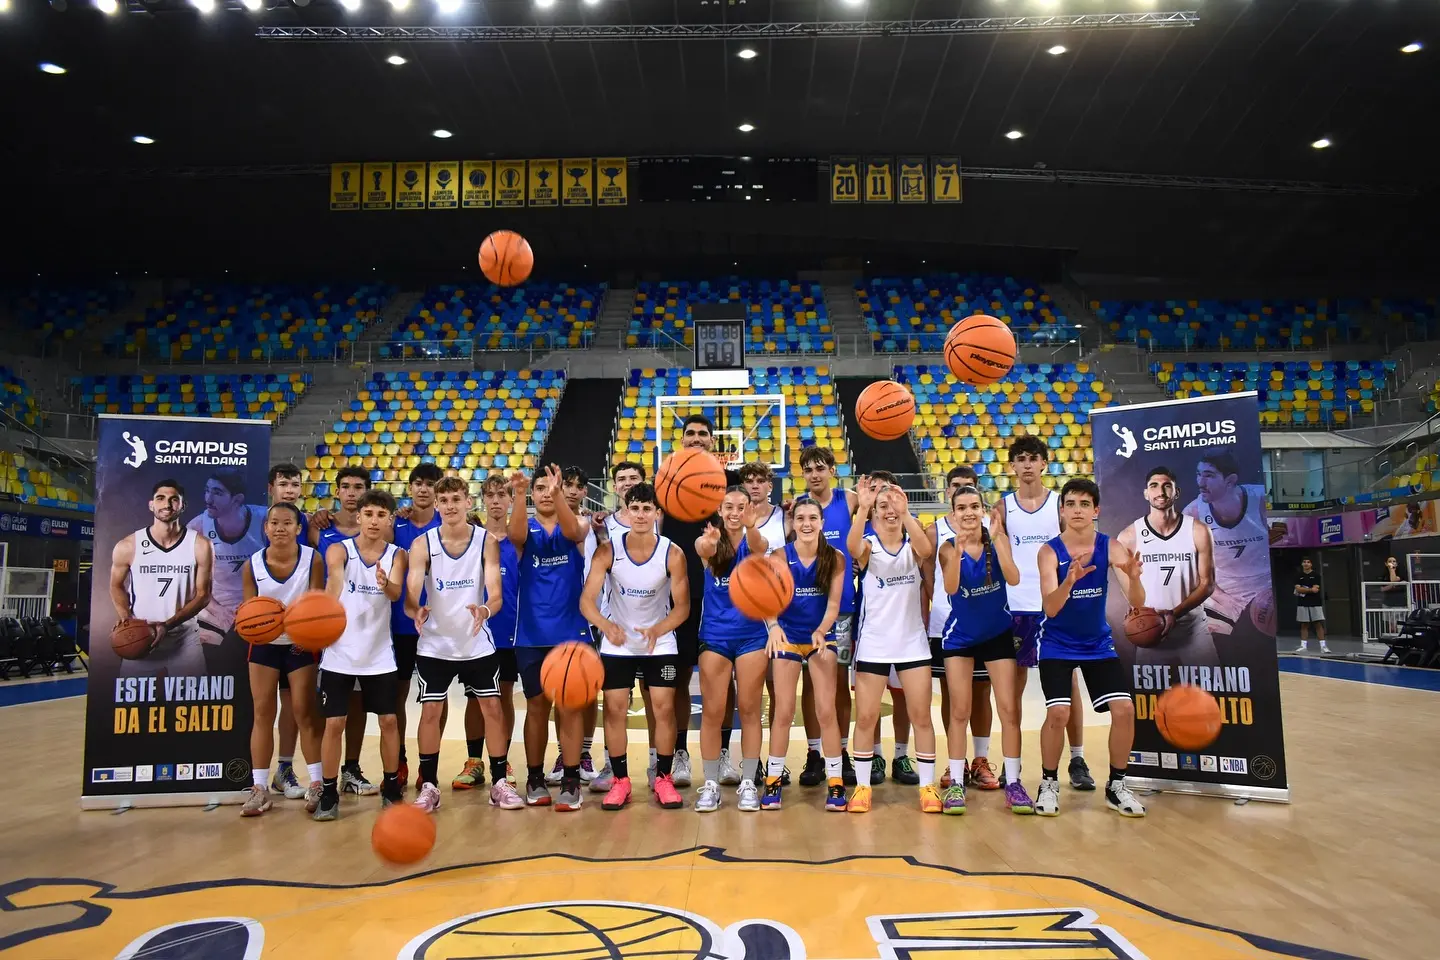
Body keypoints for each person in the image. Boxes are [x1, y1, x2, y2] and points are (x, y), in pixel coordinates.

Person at [405, 476, 520, 813]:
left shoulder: (486, 541)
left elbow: (495, 593)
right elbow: (412, 592)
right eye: (444, 500)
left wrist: (484, 608)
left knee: (493, 708)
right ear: (437, 505)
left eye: (457, 498)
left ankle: (499, 782)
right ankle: (429, 786)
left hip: (475, 641)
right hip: (436, 643)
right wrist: (416, 609)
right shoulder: (422, 544)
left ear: (468, 503)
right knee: (430, 712)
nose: (451, 505)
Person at [1034, 478, 1147, 819]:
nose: (1078, 510)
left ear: (1095, 510)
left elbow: (1138, 604)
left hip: (1097, 643)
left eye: (1085, 504)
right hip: (1056, 642)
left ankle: (1117, 785)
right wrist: (1069, 581)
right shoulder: (1049, 551)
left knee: (1125, 710)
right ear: (1062, 510)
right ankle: (1049, 782)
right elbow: (1051, 608)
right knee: (1058, 713)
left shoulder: (1111, 547)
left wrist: (1135, 576)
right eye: (1071, 503)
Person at [990, 435, 1093, 791]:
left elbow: (1076, 551)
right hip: (1017, 607)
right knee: (1010, 691)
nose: (1028, 464)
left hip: (1056, 606)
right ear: (1013, 466)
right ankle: (1011, 763)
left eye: (1034, 458)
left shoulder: (1059, 506)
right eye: (1020, 458)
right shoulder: (1002, 508)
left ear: (1044, 464)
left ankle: (1077, 759)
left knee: (1069, 687)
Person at [579, 482, 690, 810]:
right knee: (614, 709)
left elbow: (682, 607)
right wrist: (605, 626)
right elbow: (587, 601)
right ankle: (621, 780)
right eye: (634, 508)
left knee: (664, 709)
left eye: (647, 509)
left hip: (660, 639)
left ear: (657, 513)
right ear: (625, 512)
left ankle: (664, 779)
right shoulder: (608, 550)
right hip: (619, 642)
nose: (640, 515)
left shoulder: (673, 553)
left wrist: (660, 628)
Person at [658, 415, 743, 788]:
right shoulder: (664, 484)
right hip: (679, 597)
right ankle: (679, 753)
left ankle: (723, 752)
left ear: (713, 443)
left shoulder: (730, 487)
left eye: (702, 435)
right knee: (676, 679)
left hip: (726, 599)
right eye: (689, 434)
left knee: (725, 682)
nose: (696, 439)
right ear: (681, 440)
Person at [936, 485, 1032, 816]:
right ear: (952, 514)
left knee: (1008, 709)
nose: (968, 513)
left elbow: (1015, 578)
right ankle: (957, 783)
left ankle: (1015, 782)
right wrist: (961, 550)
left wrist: (998, 540)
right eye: (961, 507)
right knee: (959, 710)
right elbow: (950, 587)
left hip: (997, 634)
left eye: (974, 506)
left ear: (982, 510)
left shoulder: (998, 541)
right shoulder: (948, 548)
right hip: (960, 637)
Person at [845, 475, 938, 814]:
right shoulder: (868, 545)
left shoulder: (914, 544)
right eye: (882, 507)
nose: (889, 511)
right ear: (872, 514)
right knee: (867, 717)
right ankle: (863, 787)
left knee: (921, 717)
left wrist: (906, 511)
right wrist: (865, 507)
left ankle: (927, 787)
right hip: (874, 644)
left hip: (912, 644)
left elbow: (927, 552)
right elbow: (852, 546)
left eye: (893, 505)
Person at [315, 490, 407, 821]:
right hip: (340, 650)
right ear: (359, 517)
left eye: (381, 515)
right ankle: (328, 792)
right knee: (334, 723)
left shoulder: (398, 555)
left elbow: (396, 593)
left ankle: (392, 786)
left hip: (379, 653)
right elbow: (333, 586)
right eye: (368, 514)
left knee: (389, 720)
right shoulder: (339, 550)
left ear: (389, 521)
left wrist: (385, 584)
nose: (373, 520)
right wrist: (320, 611)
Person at [508, 464, 592, 810]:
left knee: (570, 708)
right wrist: (516, 492)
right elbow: (514, 537)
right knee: (537, 707)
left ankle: (571, 779)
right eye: (539, 488)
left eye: (551, 487)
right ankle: (535, 776)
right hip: (530, 633)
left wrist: (560, 495)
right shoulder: (524, 528)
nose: (545, 492)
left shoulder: (579, 523)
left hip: (571, 632)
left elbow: (573, 530)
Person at [239, 502, 325, 817]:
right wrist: (257, 628)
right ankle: (259, 788)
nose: (280, 528)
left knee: (304, 713)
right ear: (265, 528)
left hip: (299, 646)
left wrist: (307, 634)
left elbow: (317, 603)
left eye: (287, 523)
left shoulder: (312, 559)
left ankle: (317, 782)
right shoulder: (252, 565)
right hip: (264, 646)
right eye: (274, 522)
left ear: (298, 528)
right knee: (263, 713)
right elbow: (248, 612)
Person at [765, 499, 847, 811]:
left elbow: (834, 605)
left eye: (813, 517)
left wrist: (822, 629)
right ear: (793, 522)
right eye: (801, 518)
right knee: (783, 711)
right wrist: (772, 625)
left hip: (820, 637)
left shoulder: (834, 557)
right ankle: (773, 782)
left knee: (826, 711)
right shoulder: (779, 557)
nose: (807, 523)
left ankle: (836, 784)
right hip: (787, 635)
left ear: (822, 522)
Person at [920, 464, 998, 791]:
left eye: (968, 486)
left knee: (982, 693)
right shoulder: (934, 530)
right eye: (955, 486)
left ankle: (980, 759)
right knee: (952, 696)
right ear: (947, 492)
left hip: (985, 623)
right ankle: (957, 762)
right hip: (946, 623)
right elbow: (927, 575)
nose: (960, 490)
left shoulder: (991, 530)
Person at [693, 487, 769, 812]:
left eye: (741, 506)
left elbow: (760, 547)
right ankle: (710, 783)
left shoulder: (755, 540)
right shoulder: (710, 541)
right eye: (729, 507)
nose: (736, 511)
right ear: (720, 510)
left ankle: (748, 781)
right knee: (712, 711)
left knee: (750, 710)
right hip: (716, 635)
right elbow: (703, 547)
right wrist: (710, 540)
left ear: (749, 509)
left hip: (752, 634)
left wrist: (751, 526)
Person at [792, 445, 858, 787]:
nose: (814, 474)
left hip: (842, 609)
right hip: (805, 613)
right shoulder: (800, 509)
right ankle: (814, 752)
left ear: (832, 469)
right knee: (810, 684)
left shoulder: (849, 501)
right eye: (808, 469)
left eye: (820, 467)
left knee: (840, 683)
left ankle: (841, 751)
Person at [313, 465, 381, 798]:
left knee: (360, 707)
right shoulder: (319, 529)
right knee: (327, 713)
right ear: (337, 491)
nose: (352, 492)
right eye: (346, 487)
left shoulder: (382, 527)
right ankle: (316, 777)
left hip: (373, 634)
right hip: (331, 635)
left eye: (358, 487)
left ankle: (351, 769)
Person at [452, 474, 521, 792]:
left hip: (509, 630)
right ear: (483, 499)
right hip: (476, 631)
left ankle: (501, 758)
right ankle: (474, 761)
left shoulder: (519, 539)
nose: (495, 500)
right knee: (474, 697)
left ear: (509, 500)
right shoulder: (472, 540)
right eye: (490, 494)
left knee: (502, 695)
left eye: (501, 495)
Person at [109, 480, 214, 678]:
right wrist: (125, 616)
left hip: (184, 638)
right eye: (161, 498)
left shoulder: (200, 545)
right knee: (134, 703)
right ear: (151, 505)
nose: (167, 504)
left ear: (183, 506)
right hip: (141, 637)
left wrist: (166, 625)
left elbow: (204, 595)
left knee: (190, 703)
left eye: (174, 499)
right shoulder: (128, 545)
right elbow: (115, 585)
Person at [1116, 467, 1218, 665]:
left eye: (1166, 486)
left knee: (1208, 694)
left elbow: (1208, 584)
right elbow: (1130, 591)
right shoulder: (1128, 537)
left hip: (1193, 629)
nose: (1160, 492)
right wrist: (1138, 612)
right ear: (1146, 493)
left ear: (1176, 492)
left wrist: (1173, 614)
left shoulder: (1198, 530)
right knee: (1154, 695)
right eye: (1153, 486)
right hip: (1150, 632)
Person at [391, 463, 444, 789]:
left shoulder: (450, 524)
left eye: (430, 484)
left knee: (436, 700)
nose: (423, 489)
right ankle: (399, 761)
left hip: (439, 626)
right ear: (410, 488)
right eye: (418, 483)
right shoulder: (395, 524)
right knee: (397, 697)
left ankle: (430, 765)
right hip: (399, 625)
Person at [551, 465, 603, 787]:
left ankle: (583, 752)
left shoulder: (588, 523)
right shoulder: (544, 521)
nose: (571, 490)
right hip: (556, 613)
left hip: (587, 613)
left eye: (577, 486)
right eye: (566, 485)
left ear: (585, 491)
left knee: (588, 688)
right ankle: (563, 752)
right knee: (561, 689)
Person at [1183, 453, 1273, 639]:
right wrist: (1225, 600)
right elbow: (1191, 569)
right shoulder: (1193, 513)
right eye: (1199, 474)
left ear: (1230, 480)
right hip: (1222, 595)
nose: (1201, 482)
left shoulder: (1261, 501)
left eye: (1209, 475)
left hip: (1265, 590)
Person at [189, 469, 268, 673]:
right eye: (207, 491)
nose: (208, 498)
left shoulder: (265, 520)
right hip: (214, 612)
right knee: (212, 668)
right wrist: (220, 611)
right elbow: (189, 580)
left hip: (257, 611)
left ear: (237, 499)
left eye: (217, 492)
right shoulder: (198, 526)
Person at [264, 463, 312, 801]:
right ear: (272, 487)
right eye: (284, 484)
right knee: (260, 708)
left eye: (295, 484)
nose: (290, 490)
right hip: (260, 628)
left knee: (295, 705)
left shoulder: (305, 523)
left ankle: (284, 768)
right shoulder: (258, 521)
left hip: (296, 631)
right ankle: (251, 775)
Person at [739, 461, 786, 554]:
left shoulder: (786, 517)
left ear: (770, 486)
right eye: (749, 481)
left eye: (760, 481)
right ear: (742, 487)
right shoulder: (734, 519)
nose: (755, 486)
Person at [1293, 558, 1329, 654]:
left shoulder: (1316, 575)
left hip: (1315, 603)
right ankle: (1303, 646)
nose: (1306, 564)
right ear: (1302, 563)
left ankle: (1323, 646)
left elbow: (1316, 589)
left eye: (1308, 562)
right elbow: (1298, 589)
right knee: (1304, 624)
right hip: (1302, 603)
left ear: (1311, 564)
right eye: (1304, 562)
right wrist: (1309, 590)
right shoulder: (1298, 576)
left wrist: (1304, 589)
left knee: (1318, 624)